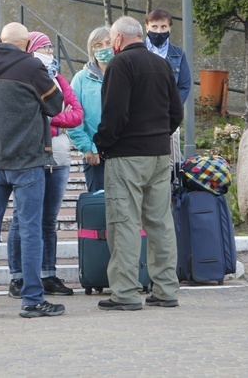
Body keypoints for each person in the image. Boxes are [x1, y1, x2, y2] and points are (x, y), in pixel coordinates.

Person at [0, 22, 66, 319]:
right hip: (26, 159)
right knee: (30, 229)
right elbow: (56, 105)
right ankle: (32, 300)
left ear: (0, 40)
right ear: (26, 44)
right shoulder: (30, 66)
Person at [94, 16, 184, 311]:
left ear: (118, 39)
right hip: (159, 155)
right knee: (160, 223)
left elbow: (114, 114)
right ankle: (166, 289)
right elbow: (176, 112)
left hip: (126, 156)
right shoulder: (161, 64)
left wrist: (103, 143)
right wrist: (159, 136)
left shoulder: (120, 65)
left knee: (124, 223)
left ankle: (125, 293)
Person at [7, 31, 84, 298]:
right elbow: (29, 114)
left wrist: (51, 120)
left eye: (51, 47)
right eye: (44, 47)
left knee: (49, 220)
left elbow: (77, 115)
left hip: (59, 157)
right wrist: (52, 118)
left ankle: (48, 273)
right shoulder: (24, 77)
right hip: (33, 156)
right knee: (22, 218)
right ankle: (17, 277)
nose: (50, 51)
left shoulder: (59, 80)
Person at [144, 9, 192, 169]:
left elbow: (184, 84)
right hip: (142, 115)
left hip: (168, 116)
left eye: (163, 27)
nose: (159, 31)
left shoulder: (178, 54)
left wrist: (173, 107)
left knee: (170, 163)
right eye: (154, 27)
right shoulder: (138, 51)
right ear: (146, 27)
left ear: (170, 28)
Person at [68, 26, 112, 192]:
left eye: (108, 43)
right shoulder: (81, 78)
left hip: (124, 153)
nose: (104, 48)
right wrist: (87, 147)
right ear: (92, 49)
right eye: (98, 45)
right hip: (95, 155)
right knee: (99, 207)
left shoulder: (126, 73)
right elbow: (73, 117)